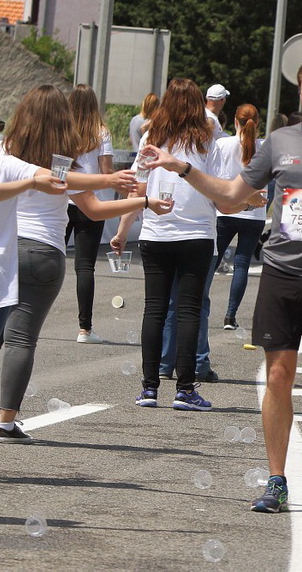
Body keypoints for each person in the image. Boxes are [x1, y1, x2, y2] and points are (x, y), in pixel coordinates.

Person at [142, 57, 302, 513]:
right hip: (280, 273)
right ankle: (276, 479)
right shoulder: (279, 142)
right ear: (298, 93)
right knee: (278, 376)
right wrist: (181, 168)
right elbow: (229, 195)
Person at [0, 85, 160, 443]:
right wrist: (140, 202)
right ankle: (6, 422)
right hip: (43, 253)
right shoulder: (63, 159)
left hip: (2, 251)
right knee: (21, 339)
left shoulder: (3, 149)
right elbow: (94, 209)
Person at [112, 79, 231, 412]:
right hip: (196, 233)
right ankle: (185, 389)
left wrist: (123, 229)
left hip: (155, 233)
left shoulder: (152, 138)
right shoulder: (209, 140)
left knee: (155, 309)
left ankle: (149, 388)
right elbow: (219, 189)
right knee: (189, 311)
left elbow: (137, 189)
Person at [0, 98, 67, 412]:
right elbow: (62, 181)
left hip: (1, 272)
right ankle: (6, 419)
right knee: (18, 341)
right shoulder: (4, 162)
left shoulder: (5, 155)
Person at [65, 84, 116, 344]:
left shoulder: (63, 130)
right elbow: (106, 170)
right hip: (92, 202)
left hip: (62, 200)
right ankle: (84, 329)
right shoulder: (101, 132)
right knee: (85, 266)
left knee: (48, 257)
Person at [212, 104, 266, 332]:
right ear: (258, 123)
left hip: (224, 209)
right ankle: (230, 315)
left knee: (211, 260)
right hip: (254, 212)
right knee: (242, 263)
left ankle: (197, 305)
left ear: (235, 122)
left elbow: (214, 176)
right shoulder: (264, 148)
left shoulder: (223, 144)